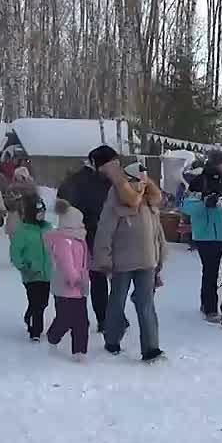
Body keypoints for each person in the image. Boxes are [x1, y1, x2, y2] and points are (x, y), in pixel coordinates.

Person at [95, 160, 166, 361]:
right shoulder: (116, 198)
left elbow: (157, 232)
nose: (142, 183)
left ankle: (148, 347)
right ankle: (115, 340)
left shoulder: (149, 200)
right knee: (121, 302)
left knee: (142, 303)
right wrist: (104, 259)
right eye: (139, 179)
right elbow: (105, 231)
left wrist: (159, 256)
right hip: (123, 262)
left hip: (146, 261)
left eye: (144, 179)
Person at [57, 147, 117, 331]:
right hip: (91, 236)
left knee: (97, 278)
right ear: (100, 164)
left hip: (91, 235)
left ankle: (106, 317)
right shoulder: (88, 182)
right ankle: (103, 319)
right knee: (97, 278)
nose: (116, 167)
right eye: (112, 163)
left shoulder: (96, 179)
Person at [181, 150, 222, 322]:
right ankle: (210, 308)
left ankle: (206, 303)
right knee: (210, 271)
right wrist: (204, 203)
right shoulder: (199, 181)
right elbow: (185, 206)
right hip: (204, 234)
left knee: (212, 271)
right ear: (216, 163)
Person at [45, 201, 92, 360]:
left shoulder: (78, 239)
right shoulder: (63, 241)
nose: (82, 225)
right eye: (80, 222)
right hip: (65, 288)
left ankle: (80, 351)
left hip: (79, 288)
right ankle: (53, 336)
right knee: (65, 319)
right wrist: (74, 278)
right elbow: (66, 263)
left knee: (81, 322)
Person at [10, 193, 54, 341]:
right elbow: (15, 252)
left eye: (43, 212)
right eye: (38, 212)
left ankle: (29, 316)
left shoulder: (49, 229)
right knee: (36, 302)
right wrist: (23, 266)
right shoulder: (23, 231)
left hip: (47, 273)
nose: (41, 215)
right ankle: (36, 331)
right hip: (31, 274)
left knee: (43, 302)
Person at [4, 165, 39, 237]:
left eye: (19, 175)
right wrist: (14, 200)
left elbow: (35, 199)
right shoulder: (12, 187)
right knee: (15, 235)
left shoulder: (31, 187)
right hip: (15, 214)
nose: (18, 177)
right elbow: (7, 201)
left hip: (28, 213)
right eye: (16, 175)